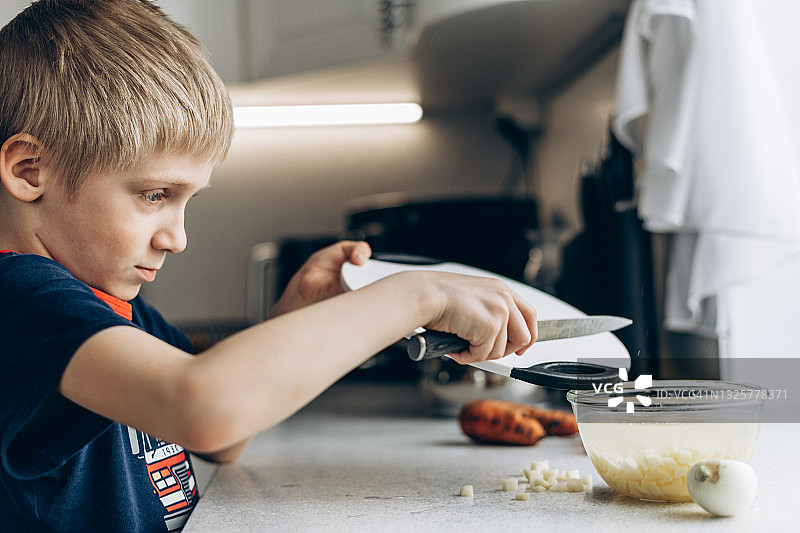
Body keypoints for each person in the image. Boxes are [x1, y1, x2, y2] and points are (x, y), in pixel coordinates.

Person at [0, 1, 538, 531]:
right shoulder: (20, 299)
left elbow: (221, 437)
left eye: (186, 202)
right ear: (30, 171)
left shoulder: (107, 306)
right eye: (154, 194)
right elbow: (203, 407)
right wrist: (414, 296)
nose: (178, 237)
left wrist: (292, 319)